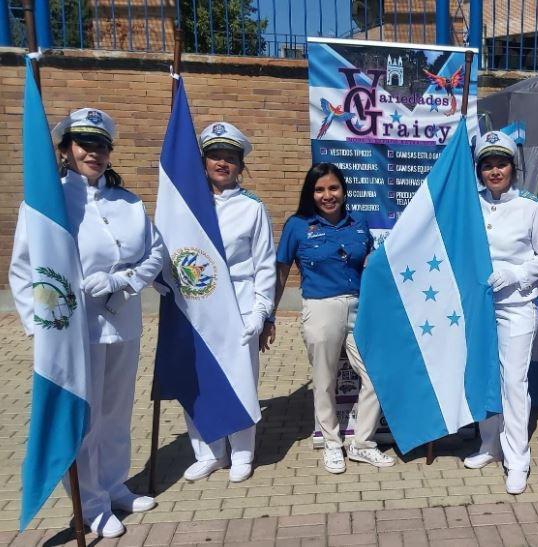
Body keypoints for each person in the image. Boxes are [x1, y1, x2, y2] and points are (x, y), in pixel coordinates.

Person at [9, 108, 163, 538]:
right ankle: (91, 503)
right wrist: (41, 327)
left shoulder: (128, 203)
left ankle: (114, 485)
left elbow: (155, 252)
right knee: (85, 417)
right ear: (65, 149)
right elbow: (24, 269)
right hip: (75, 332)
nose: (93, 152)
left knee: (116, 412)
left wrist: (123, 278)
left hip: (123, 323)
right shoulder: (49, 202)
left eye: (100, 145)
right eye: (84, 143)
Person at [269, 162, 394, 474]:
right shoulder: (297, 226)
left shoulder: (359, 224)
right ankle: (332, 444)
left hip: (360, 307)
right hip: (320, 308)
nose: (327, 195)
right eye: (320, 189)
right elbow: (281, 273)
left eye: (333, 188)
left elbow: (370, 267)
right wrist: (269, 315)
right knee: (324, 382)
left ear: (344, 191)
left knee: (376, 375)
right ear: (311, 193)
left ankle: (361, 444)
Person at [462, 131, 538, 494]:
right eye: (487, 165)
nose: (494, 171)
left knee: (514, 383)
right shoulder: (472, 203)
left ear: (513, 167)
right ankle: (489, 442)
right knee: (483, 375)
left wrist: (517, 274)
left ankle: (517, 457)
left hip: (516, 305)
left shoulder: (530, 207)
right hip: (479, 306)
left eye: (500, 163)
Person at [180, 122, 277, 484]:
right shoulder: (186, 205)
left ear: (240, 165)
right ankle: (209, 452)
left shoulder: (252, 208)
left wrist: (261, 311)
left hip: (238, 307)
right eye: (216, 156)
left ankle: (242, 452)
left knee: (241, 381)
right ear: (203, 161)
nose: (223, 163)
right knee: (198, 381)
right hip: (197, 307)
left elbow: (265, 264)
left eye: (231, 158)